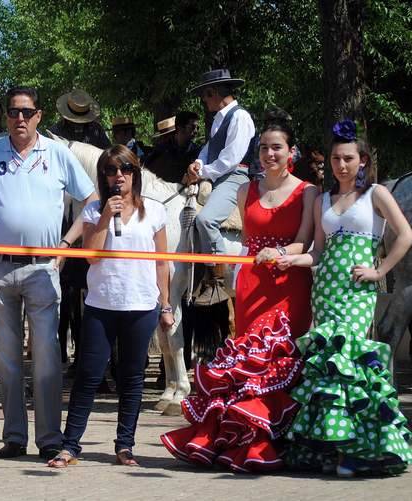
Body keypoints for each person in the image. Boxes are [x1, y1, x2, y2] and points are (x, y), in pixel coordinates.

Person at [160, 109, 316, 472]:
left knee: (277, 363)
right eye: (263, 148)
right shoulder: (246, 189)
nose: (269, 154)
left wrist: (279, 253)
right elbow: (248, 240)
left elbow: (304, 242)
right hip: (252, 286)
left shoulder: (308, 192)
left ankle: (274, 441)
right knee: (245, 367)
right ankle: (241, 438)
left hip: (288, 286)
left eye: (276, 148)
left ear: (290, 152)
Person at [0, 86, 97, 460]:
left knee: (48, 358)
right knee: (6, 359)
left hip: (42, 269)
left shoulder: (58, 154)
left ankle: (50, 438)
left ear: (39, 116)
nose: (20, 118)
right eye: (13, 112)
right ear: (6, 117)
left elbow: (91, 200)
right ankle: (15, 437)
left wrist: (68, 243)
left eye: (27, 112)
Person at [281, 119, 412, 477]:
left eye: (349, 158)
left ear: (362, 160)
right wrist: (292, 258)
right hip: (325, 291)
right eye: (336, 159)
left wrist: (380, 270)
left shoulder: (376, 195)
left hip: (357, 292)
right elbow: (318, 252)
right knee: (328, 368)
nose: (341, 165)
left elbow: (405, 235)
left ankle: (362, 450)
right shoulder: (323, 199)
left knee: (351, 364)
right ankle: (333, 449)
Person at [47, 145, 172, 468]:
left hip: (141, 303)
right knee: (88, 375)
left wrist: (166, 303)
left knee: (132, 378)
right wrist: (105, 216)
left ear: (136, 173)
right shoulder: (93, 212)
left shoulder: (155, 211)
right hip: (102, 303)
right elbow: (91, 255)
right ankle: (70, 445)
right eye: (112, 170)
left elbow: (161, 263)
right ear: (103, 176)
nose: (119, 176)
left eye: (126, 169)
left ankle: (125, 446)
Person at [185, 69, 256, 306]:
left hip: (236, 176)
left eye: (205, 96)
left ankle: (218, 278)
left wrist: (204, 172)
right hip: (217, 174)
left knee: (205, 220)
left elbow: (231, 158)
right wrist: (197, 164)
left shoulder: (240, 117)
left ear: (214, 92)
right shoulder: (218, 119)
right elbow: (210, 148)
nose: (203, 101)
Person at [145, 112, 201, 183]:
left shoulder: (197, 151)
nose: (196, 131)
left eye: (197, 128)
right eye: (192, 127)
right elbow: (149, 171)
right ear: (180, 128)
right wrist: (179, 177)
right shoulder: (162, 149)